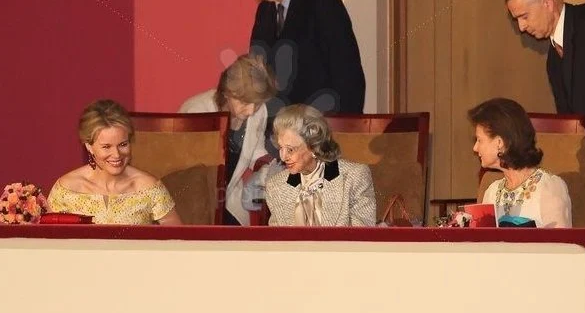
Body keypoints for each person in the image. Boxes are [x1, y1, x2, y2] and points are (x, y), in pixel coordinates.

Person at [239, 0, 366, 114]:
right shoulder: (265, 12)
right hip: (279, 133)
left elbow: (348, 77)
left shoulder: (322, 1)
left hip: (320, 130)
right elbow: (259, 76)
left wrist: (342, 133)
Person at [179, 54, 278, 225]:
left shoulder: (259, 111)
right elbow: (186, 169)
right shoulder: (196, 111)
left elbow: (255, 150)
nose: (251, 111)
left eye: (258, 103)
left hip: (228, 198)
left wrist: (266, 169)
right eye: (245, 102)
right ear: (227, 93)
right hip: (193, 200)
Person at [48, 99, 181, 225]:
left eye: (123, 144)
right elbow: (47, 242)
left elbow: (178, 241)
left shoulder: (149, 187)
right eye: (106, 147)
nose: (117, 154)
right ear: (89, 146)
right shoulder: (66, 189)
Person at [265, 104, 376, 226]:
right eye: (281, 148)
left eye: (290, 150)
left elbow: (362, 239)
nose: (283, 157)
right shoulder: (275, 186)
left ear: (313, 147)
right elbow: (277, 242)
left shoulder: (353, 178)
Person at [468, 97, 571, 227]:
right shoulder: (492, 192)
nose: (475, 148)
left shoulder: (548, 187)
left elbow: (562, 245)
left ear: (499, 142)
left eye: (479, 140)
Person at [505, 0, 585, 114]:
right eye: (517, 20)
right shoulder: (553, 59)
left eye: (524, 17)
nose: (521, 27)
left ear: (547, 3)